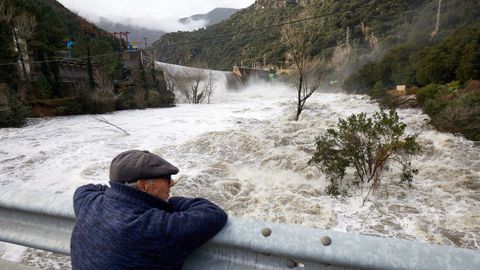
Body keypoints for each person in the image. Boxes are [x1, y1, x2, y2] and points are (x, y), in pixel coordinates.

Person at [70, 150, 228, 270]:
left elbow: (86, 188)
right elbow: (212, 213)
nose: (172, 184)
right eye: (166, 179)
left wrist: (119, 193)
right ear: (143, 186)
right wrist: (165, 203)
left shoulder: (88, 202)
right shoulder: (153, 228)